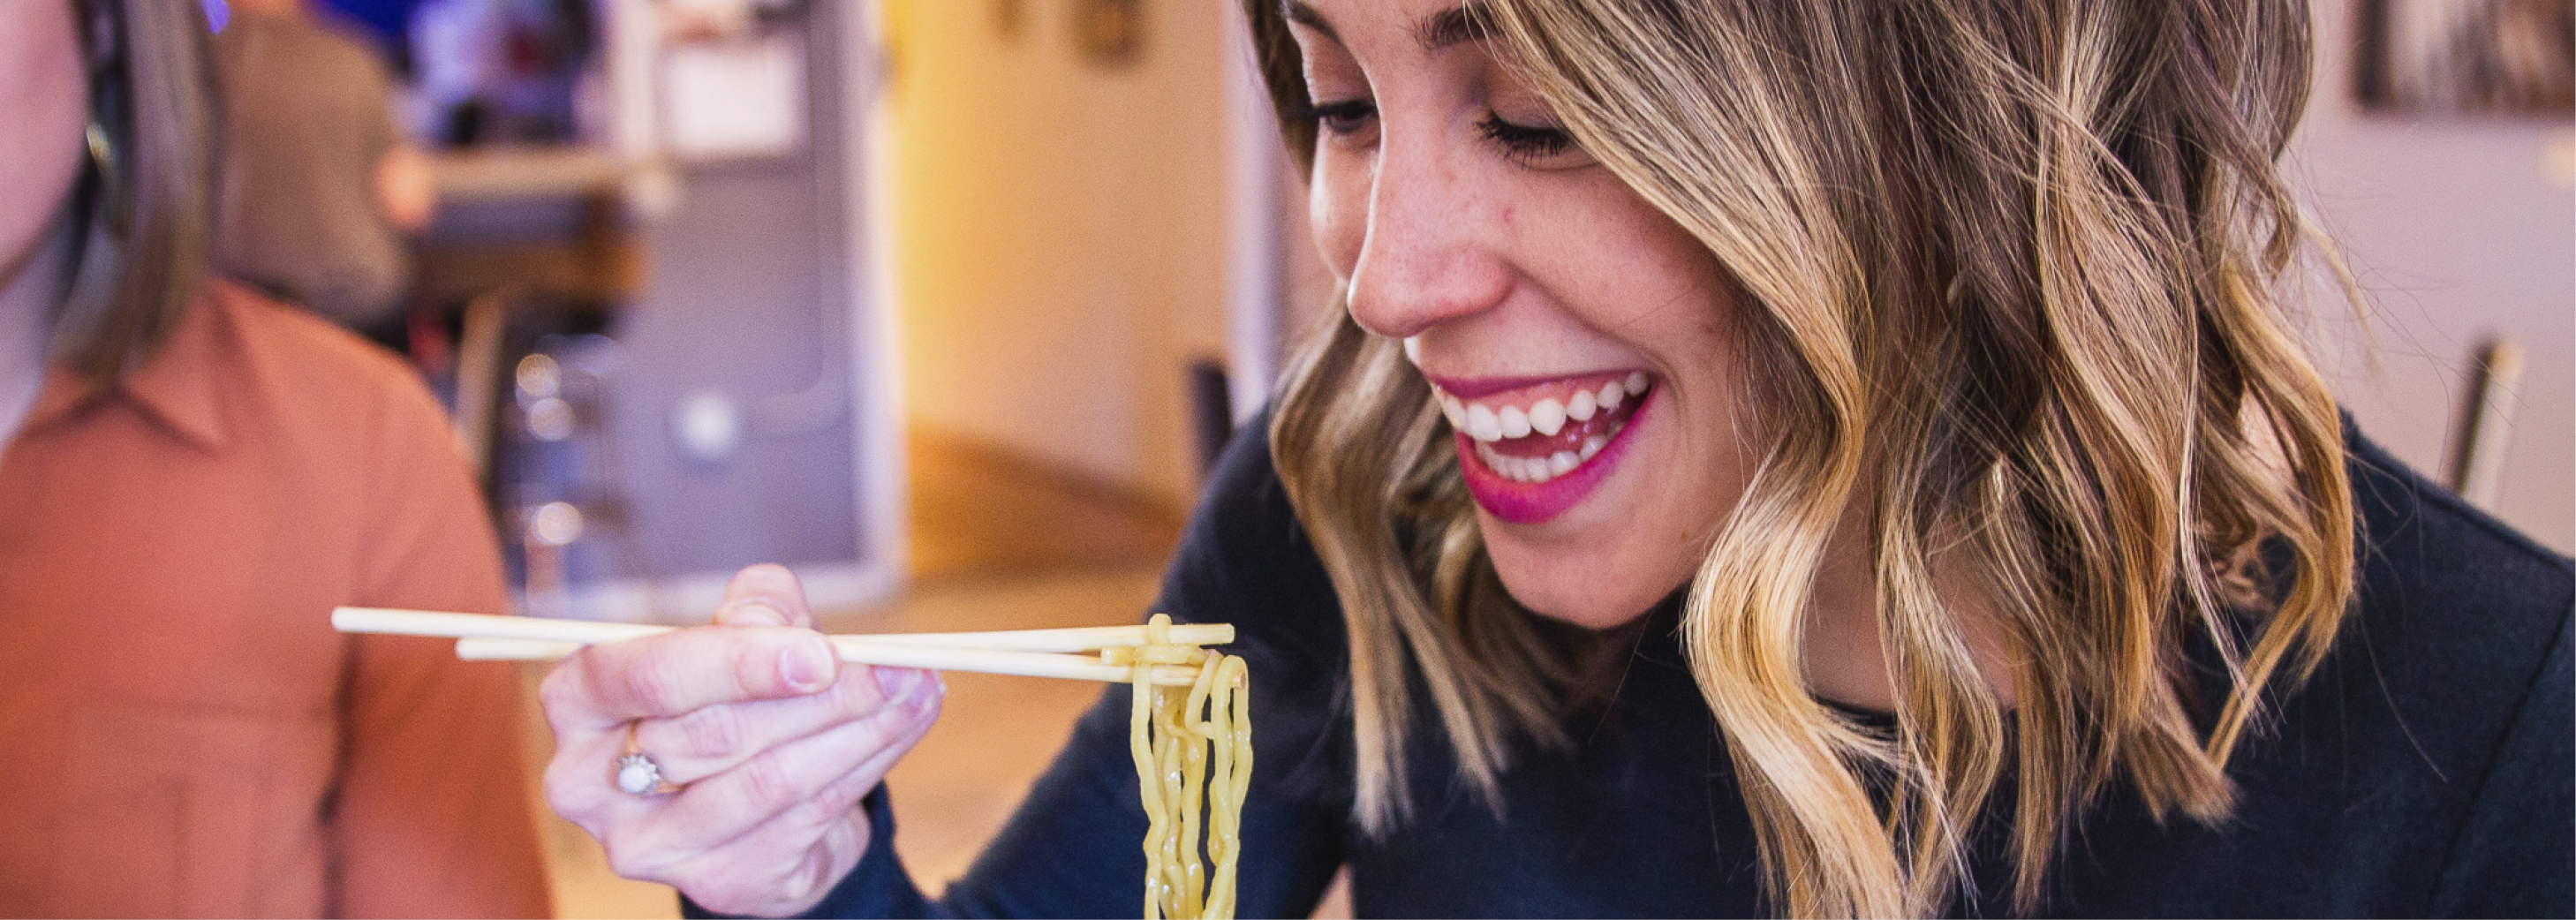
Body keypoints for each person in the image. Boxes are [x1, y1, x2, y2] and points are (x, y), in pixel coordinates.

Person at [538, 0, 2576, 916]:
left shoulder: (2493, 736)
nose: (1387, 276)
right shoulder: (1336, 532)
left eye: (1536, 119)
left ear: (1929, 127)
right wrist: (791, 862)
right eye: (1337, 100)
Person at [0, 1, 549, 916]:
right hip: (356, 311)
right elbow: (407, 199)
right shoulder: (349, 64)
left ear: (107, 27)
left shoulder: (349, 456)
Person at [211, 0, 436, 337]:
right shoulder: (352, 56)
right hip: (355, 310)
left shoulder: (198, 66)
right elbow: (410, 206)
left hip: (237, 318)